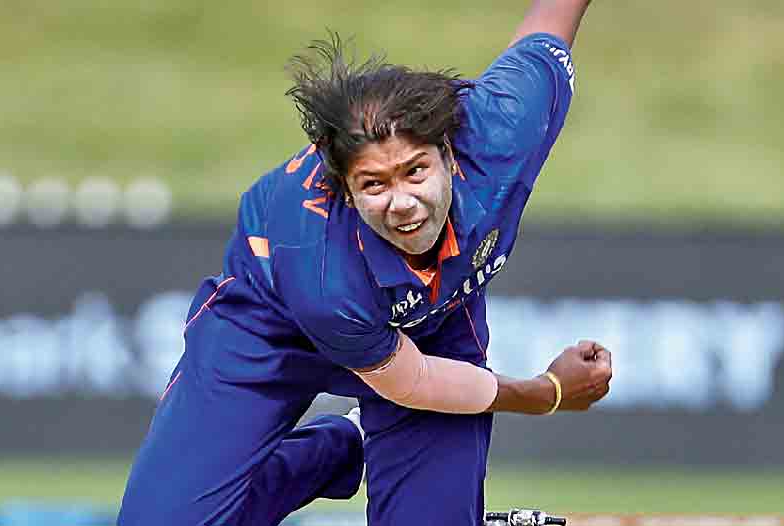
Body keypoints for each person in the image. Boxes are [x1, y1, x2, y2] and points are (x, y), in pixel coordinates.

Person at [118, 1, 612, 525]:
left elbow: (547, 26)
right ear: (346, 191)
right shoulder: (323, 271)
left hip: (433, 325)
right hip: (269, 325)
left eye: (416, 171)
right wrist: (547, 393)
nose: (403, 204)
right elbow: (415, 381)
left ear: (449, 154)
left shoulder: (502, 127)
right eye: (374, 184)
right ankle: (340, 446)